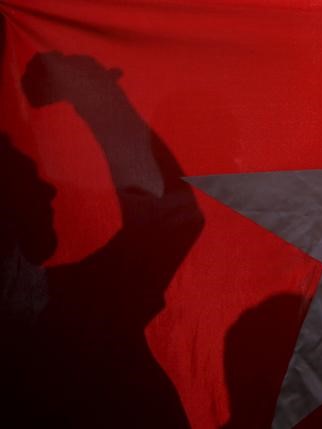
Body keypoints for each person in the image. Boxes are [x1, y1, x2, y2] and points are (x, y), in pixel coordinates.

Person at [1, 52, 203, 428]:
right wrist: (91, 89)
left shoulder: (64, 307)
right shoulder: (72, 316)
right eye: (27, 176)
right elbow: (170, 217)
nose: (49, 187)